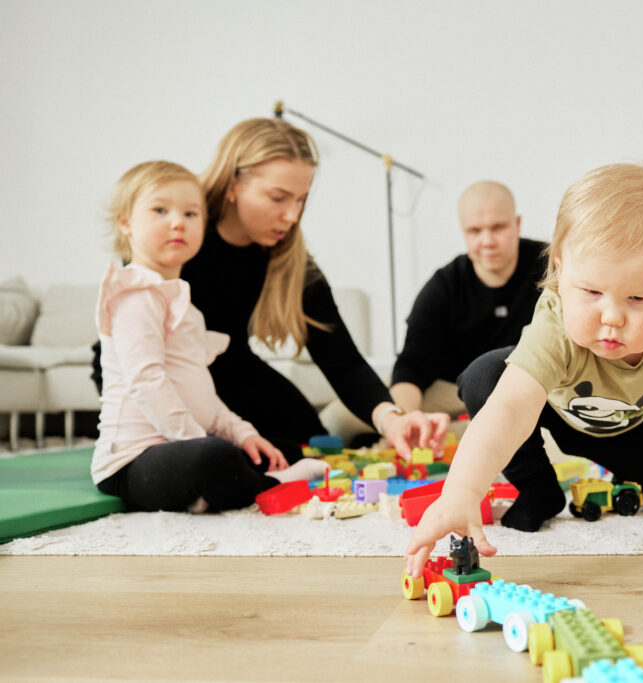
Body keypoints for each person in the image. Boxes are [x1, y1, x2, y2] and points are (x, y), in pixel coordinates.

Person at [405, 163, 643, 574]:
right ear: (561, 273)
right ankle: (537, 488)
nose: (612, 317)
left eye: (639, 298)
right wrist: (460, 491)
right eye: (592, 292)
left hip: (634, 419)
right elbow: (511, 409)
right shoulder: (555, 320)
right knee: (485, 376)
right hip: (553, 406)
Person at [93, 118, 449, 458]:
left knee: (306, 441)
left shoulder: (289, 258)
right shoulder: (181, 232)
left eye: (300, 200)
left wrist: (392, 419)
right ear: (233, 185)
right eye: (278, 198)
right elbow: (136, 324)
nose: (292, 216)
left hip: (231, 367)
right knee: (245, 456)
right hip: (152, 364)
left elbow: (341, 358)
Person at [93, 161, 326, 513]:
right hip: (133, 461)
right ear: (125, 222)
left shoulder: (185, 305)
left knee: (277, 448)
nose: (178, 222)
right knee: (213, 457)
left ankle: (219, 487)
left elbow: (202, 392)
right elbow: (145, 381)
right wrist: (199, 439)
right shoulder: (135, 294)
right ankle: (270, 485)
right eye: (160, 210)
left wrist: (243, 433)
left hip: (183, 445)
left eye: (191, 213)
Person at [386, 181, 547, 418]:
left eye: (498, 227)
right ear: (463, 232)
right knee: (343, 420)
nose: (487, 241)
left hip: (530, 390)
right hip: (451, 391)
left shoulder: (552, 266)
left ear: (517, 224)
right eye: (475, 231)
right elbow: (411, 365)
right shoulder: (445, 285)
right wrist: (406, 419)